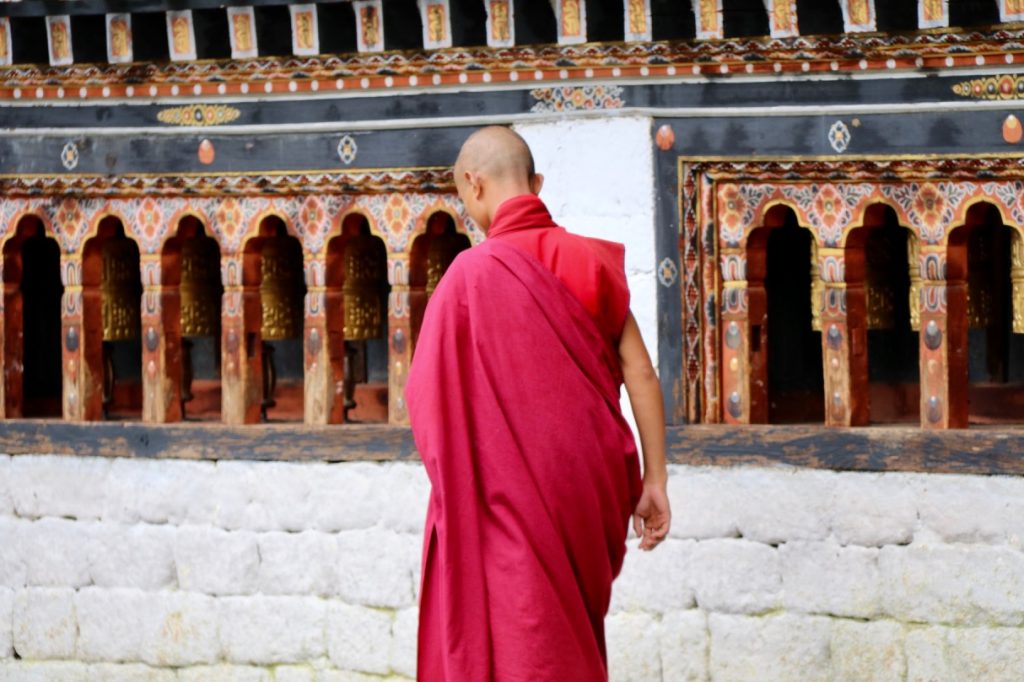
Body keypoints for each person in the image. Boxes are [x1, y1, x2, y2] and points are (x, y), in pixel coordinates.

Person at [406, 126, 671, 680]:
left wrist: (463, 481)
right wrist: (655, 481)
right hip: (586, 488)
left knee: (526, 627)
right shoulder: (592, 263)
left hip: (507, 495)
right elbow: (641, 374)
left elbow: (427, 401)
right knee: (570, 620)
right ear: (537, 184)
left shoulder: (466, 278)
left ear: (473, 186)